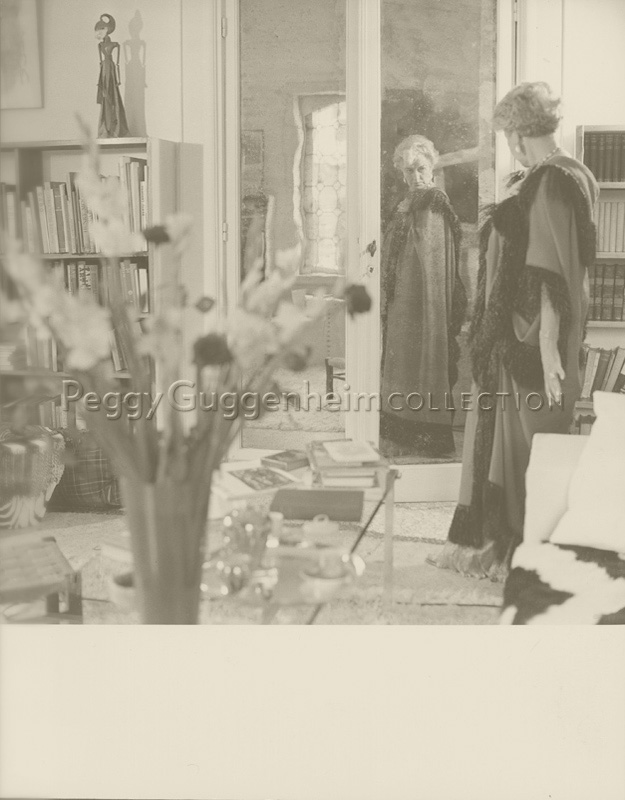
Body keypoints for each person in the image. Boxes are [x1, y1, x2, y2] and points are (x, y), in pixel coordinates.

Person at [428, 82, 598, 580]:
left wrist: (545, 349)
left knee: (519, 448)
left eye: (507, 135)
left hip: (526, 339)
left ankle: (509, 552)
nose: (509, 145)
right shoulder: (574, 172)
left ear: (520, 134)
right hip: (535, 334)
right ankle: (506, 547)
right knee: (525, 448)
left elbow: (550, 274)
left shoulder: (549, 180)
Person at [380, 134, 467, 459]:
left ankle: (425, 431)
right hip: (402, 299)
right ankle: (401, 428)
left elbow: (434, 262)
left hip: (424, 299)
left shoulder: (433, 202)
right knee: (402, 360)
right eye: (408, 171)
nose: (415, 176)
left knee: (424, 358)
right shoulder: (406, 203)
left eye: (420, 169)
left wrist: (429, 304)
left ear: (431, 168)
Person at [95, 14, 130, 138]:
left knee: (113, 95)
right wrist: (100, 81)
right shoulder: (100, 45)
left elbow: (118, 63)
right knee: (105, 97)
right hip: (104, 70)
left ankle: (115, 127)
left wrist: (118, 79)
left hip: (111, 69)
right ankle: (106, 127)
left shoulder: (115, 44)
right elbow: (100, 62)